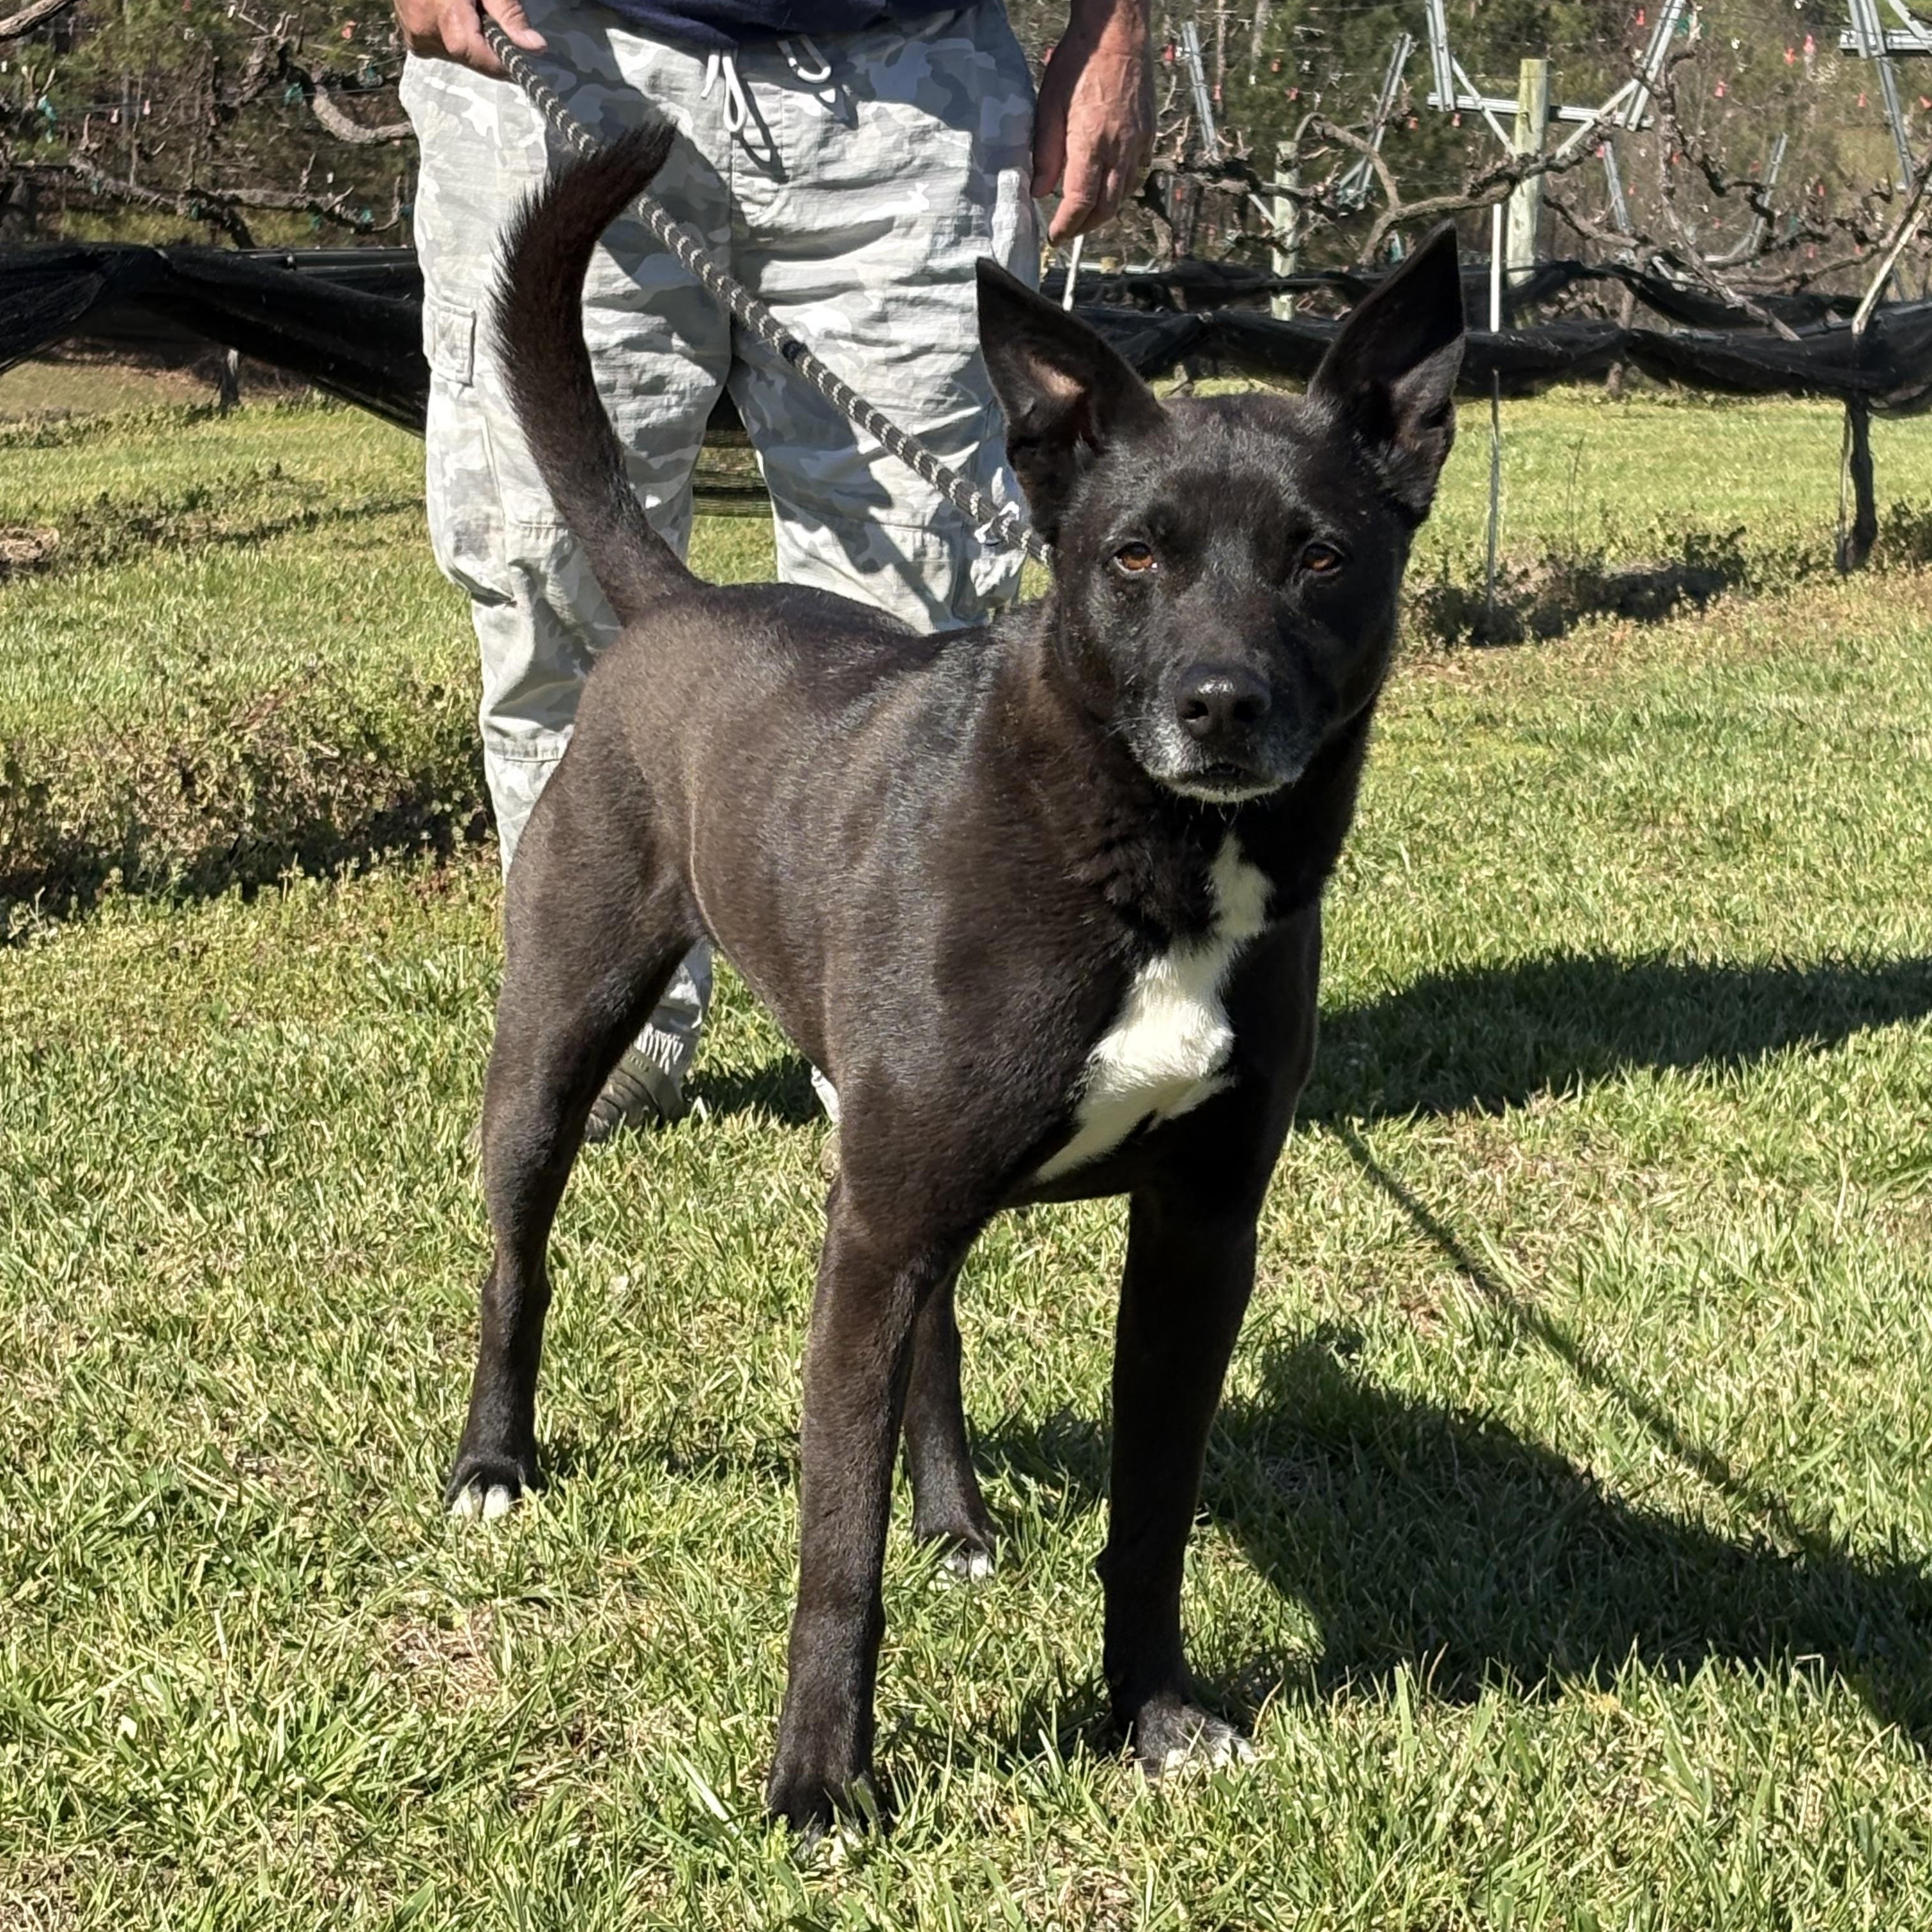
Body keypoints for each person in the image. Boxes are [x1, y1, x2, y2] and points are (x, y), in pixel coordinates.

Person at [394, 0, 1151, 1133]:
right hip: (556, 50)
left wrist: (1119, 22)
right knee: (550, 586)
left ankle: (891, 1046)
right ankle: (604, 1038)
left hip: (912, 82)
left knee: (927, 621)